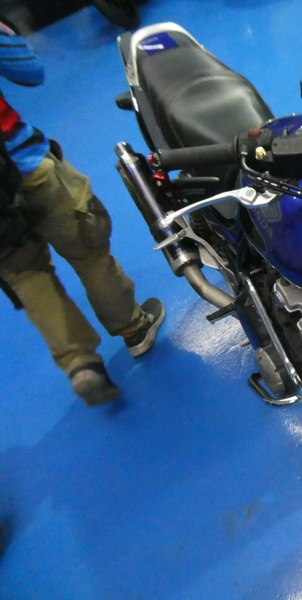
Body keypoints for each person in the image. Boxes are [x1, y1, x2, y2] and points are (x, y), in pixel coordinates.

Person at [0, 21, 165, 407]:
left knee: (27, 276)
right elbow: (30, 72)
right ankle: (133, 328)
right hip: (26, 166)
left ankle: (81, 365)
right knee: (89, 251)